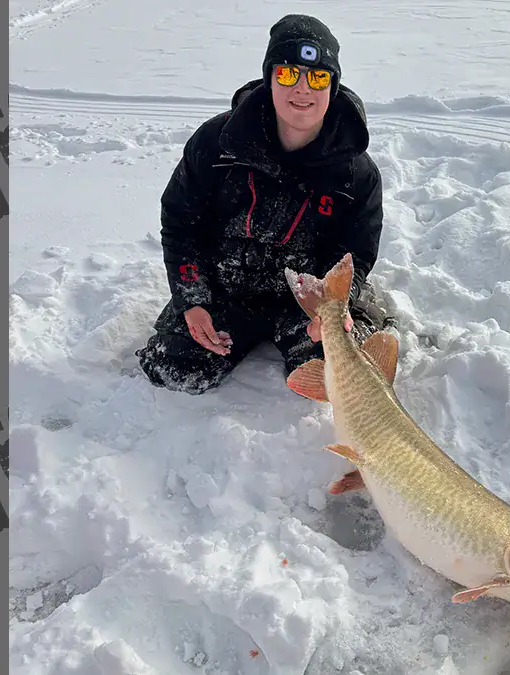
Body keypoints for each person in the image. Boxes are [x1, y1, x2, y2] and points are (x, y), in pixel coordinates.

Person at [137, 14, 391, 395]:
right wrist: (192, 300)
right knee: (173, 367)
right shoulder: (216, 143)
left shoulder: (357, 173)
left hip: (307, 300)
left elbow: (356, 252)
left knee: (343, 376)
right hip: (226, 288)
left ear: (333, 85)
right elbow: (180, 223)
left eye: (317, 77)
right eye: (288, 74)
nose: (302, 88)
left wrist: (334, 308)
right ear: (270, 78)